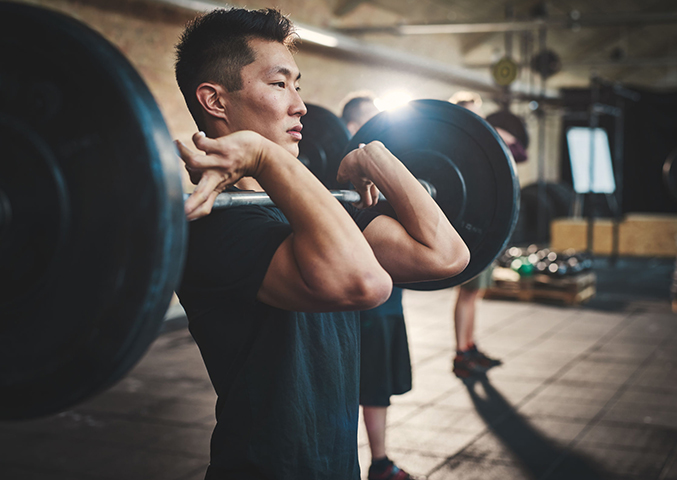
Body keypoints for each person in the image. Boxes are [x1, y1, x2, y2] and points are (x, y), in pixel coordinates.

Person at [173, 8, 469, 480]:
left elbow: (447, 256)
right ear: (215, 100)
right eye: (278, 84)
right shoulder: (211, 229)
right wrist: (266, 156)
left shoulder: (314, 214)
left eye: (298, 85)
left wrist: (377, 157)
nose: (300, 105)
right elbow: (366, 284)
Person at [341, 94, 416, 480]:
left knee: (376, 387)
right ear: (352, 128)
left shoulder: (385, 174)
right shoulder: (336, 175)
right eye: (369, 125)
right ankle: (362, 462)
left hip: (388, 302)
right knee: (349, 388)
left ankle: (379, 461)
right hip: (355, 306)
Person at [448, 92, 530, 379]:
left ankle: (469, 347)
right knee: (467, 293)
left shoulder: (481, 142)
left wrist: (488, 128)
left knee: (475, 293)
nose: (478, 121)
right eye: (472, 115)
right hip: (468, 230)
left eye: (479, 115)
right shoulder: (457, 146)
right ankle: (461, 353)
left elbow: (520, 152)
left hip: (485, 226)